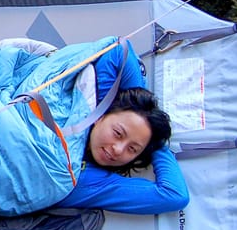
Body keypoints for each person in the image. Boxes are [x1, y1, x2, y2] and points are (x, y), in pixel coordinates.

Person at [54, 87, 189, 215]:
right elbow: (121, 61)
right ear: (100, 116)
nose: (118, 150)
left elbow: (174, 195)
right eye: (118, 133)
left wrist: (157, 142)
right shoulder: (79, 109)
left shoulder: (95, 183)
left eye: (132, 149)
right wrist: (142, 101)